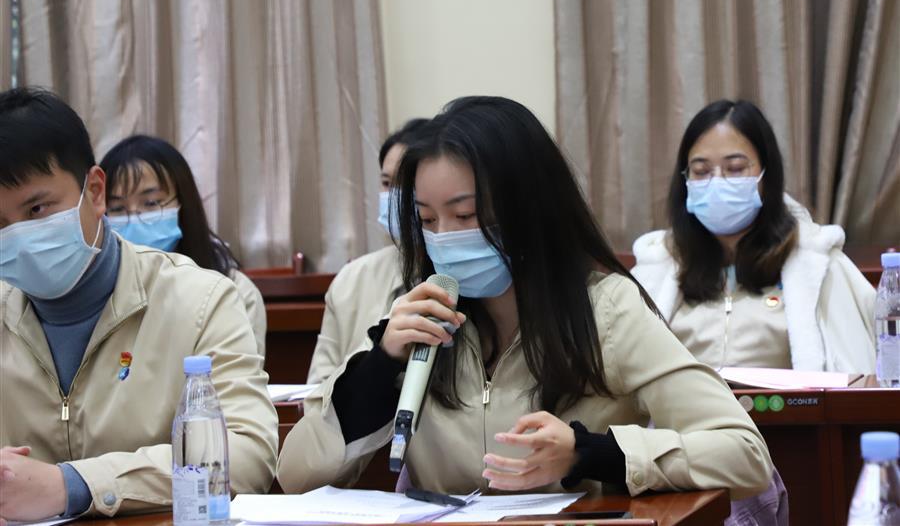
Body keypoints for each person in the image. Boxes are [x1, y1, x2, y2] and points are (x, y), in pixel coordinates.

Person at [277, 96, 772, 499]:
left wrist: (589, 454)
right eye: (427, 220)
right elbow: (295, 475)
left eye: (466, 216)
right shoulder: (420, 316)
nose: (444, 238)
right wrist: (381, 363)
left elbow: (744, 453)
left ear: (529, 210)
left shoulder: (607, 309)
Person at [0, 88, 277, 520]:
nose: (16, 236)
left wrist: (74, 485)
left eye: (37, 209)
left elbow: (245, 453)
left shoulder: (200, 300)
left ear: (95, 192)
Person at [631, 99, 875, 373]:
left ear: (766, 175)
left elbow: (858, 372)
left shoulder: (818, 263)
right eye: (701, 171)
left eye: (735, 168)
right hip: (683, 403)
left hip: (787, 402)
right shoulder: (658, 267)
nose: (717, 182)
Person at [99, 135, 267, 356]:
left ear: (183, 203)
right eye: (117, 209)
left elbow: (235, 373)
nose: (134, 218)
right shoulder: (96, 296)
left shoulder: (234, 290)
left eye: (151, 203)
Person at [308, 118, 429, 383]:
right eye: (387, 183)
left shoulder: (466, 278)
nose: (395, 196)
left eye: (408, 183)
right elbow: (317, 392)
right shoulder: (352, 279)